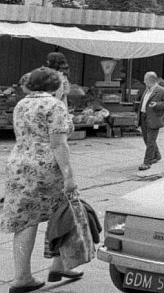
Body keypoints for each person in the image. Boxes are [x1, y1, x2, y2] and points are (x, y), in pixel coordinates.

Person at [1, 67, 82, 293]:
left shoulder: (22, 103)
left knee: (26, 221)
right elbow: (58, 143)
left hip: (18, 164)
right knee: (64, 213)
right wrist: (69, 176)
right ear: (54, 84)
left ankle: (22, 277)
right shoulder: (54, 105)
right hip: (45, 167)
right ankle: (59, 264)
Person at [135, 72, 164, 171]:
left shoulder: (161, 91)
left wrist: (157, 104)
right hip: (144, 117)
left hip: (154, 118)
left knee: (150, 141)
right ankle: (157, 155)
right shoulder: (147, 90)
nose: (143, 81)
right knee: (147, 139)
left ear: (150, 80)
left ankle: (147, 162)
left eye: (145, 79)